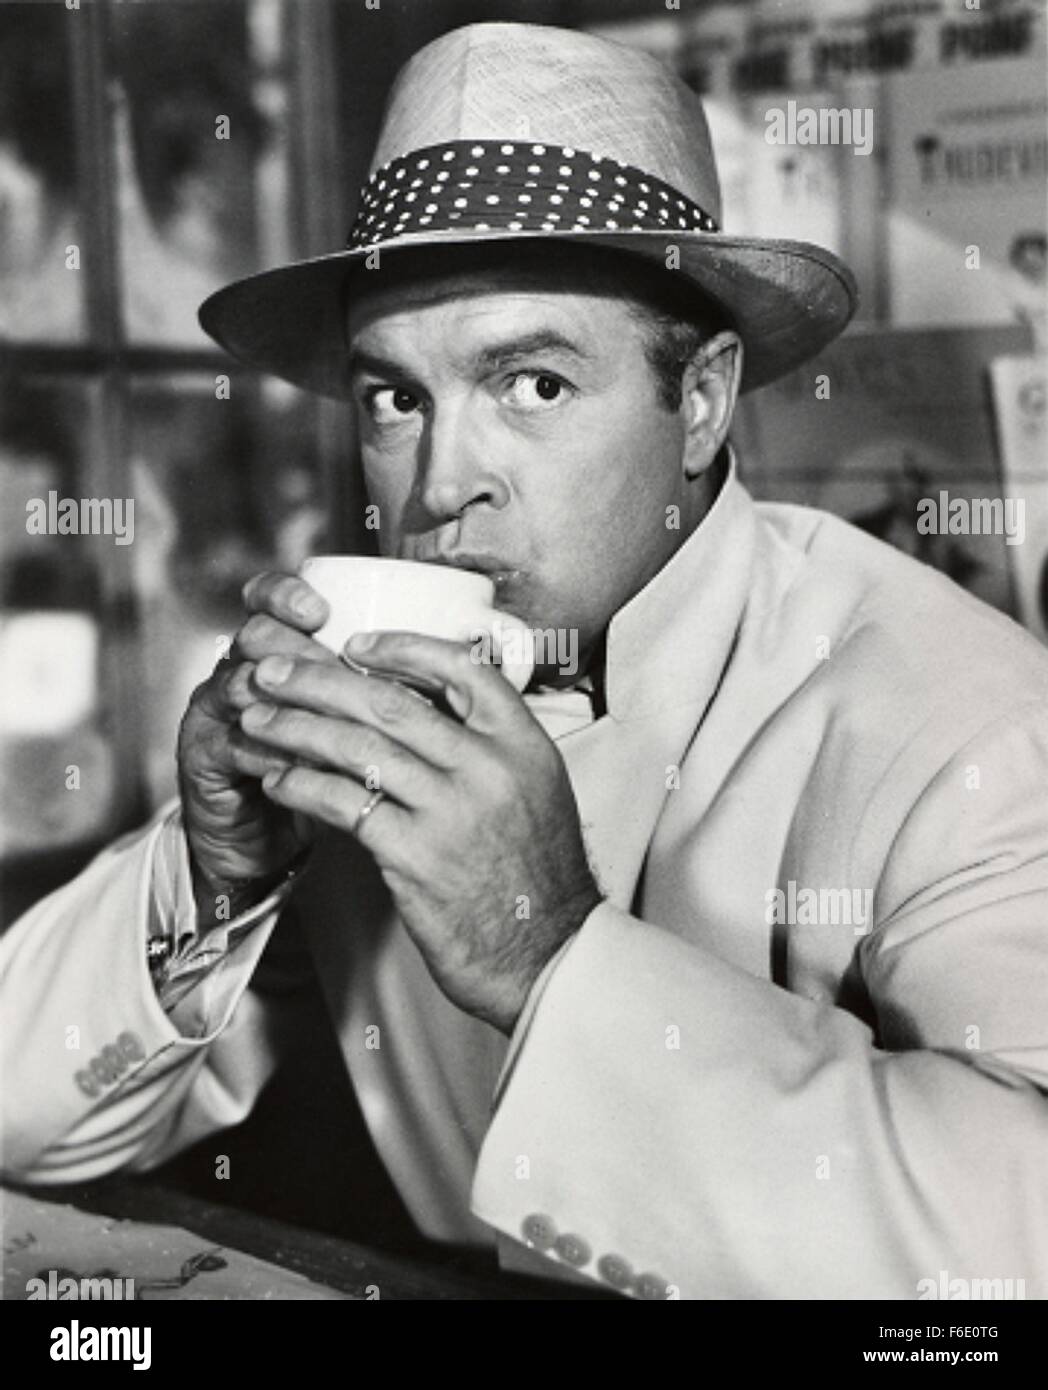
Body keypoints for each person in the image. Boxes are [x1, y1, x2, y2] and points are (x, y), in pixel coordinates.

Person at [3, 22, 1047, 1301]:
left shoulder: (965, 721)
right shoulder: (380, 687)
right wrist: (217, 880)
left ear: (703, 400)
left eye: (534, 384)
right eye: (396, 397)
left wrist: (549, 952)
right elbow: (18, 1118)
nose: (441, 486)